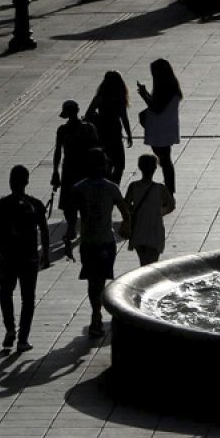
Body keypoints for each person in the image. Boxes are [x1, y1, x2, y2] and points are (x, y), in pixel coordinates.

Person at [0, 165, 51, 352]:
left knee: (5, 294)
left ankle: (9, 329)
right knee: (28, 298)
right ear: (27, 181)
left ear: (10, 181)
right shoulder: (36, 204)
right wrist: (45, 254)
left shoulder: (0, 205)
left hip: (7, 257)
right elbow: (45, 231)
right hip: (29, 258)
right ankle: (23, 338)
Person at [72, 150, 128, 338]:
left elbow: (72, 217)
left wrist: (67, 238)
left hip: (88, 241)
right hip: (105, 241)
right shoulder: (111, 188)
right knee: (101, 281)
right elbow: (125, 212)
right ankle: (96, 316)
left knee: (92, 281)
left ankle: (95, 315)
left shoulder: (79, 187)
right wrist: (126, 228)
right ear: (105, 166)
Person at [52, 100, 99, 247]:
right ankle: (76, 228)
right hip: (82, 168)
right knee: (77, 201)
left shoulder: (64, 130)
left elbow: (58, 152)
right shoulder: (87, 128)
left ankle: (74, 228)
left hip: (73, 169)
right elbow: (96, 148)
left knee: (71, 202)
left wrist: (55, 171)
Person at [138, 59, 182, 191]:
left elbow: (157, 108)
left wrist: (144, 96)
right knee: (165, 161)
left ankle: (169, 190)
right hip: (164, 129)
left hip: (160, 131)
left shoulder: (166, 90)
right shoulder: (171, 87)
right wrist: (145, 93)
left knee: (165, 161)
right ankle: (170, 189)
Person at [123, 154, 175, 266]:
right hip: (154, 230)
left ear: (140, 167)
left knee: (143, 262)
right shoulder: (160, 188)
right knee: (152, 264)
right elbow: (171, 205)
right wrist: (158, 212)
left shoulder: (133, 186)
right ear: (155, 168)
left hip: (139, 230)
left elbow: (125, 206)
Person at [86, 72, 134, 183]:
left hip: (101, 132)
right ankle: (114, 185)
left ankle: (106, 183)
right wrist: (129, 135)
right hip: (115, 132)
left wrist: (98, 118)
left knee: (106, 161)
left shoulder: (99, 97)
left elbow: (89, 113)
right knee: (120, 164)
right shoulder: (119, 98)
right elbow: (124, 118)